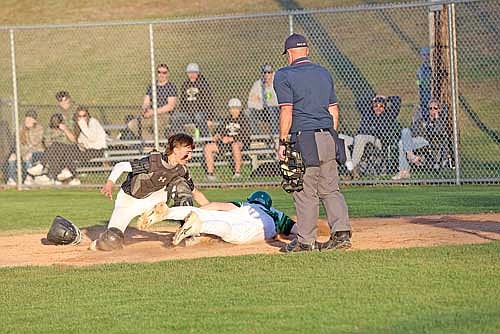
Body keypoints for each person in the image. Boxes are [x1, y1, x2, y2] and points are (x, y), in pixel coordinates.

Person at [274, 33, 351, 252]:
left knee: (305, 191)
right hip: (328, 135)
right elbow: (334, 111)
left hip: (305, 138)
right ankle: (341, 234)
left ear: (289, 54)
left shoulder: (284, 75)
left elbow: (287, 110)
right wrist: (329, 135)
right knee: (330, 189)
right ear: (307, 51)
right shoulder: (323, 73)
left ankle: (306, 241)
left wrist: (282, 141)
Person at [90, 133, 210, 251]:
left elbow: (195, 193)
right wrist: (110, 183)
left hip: (154, 200)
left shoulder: (181, 170)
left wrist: (211, 214)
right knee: (112, 239)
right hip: (129, 201)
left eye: (191, 153)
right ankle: (97, 244)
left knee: (180, 185)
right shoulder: (153, 163)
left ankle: (187, 232)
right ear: (176, 149)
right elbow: (121, 166)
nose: (190, 157)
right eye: (187, 152)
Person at [138, 190, 297, 245]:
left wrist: (200, 211)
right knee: (230, 231)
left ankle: (168, 212)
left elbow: (215, 205)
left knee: (218, 218)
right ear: (267, 204)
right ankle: (198, 226)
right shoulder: (276, 213)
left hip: (237, 214)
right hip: (260, 227)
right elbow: (297, 230)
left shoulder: (245, 205)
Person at [392, 100, 449, 180]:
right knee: (405, 131)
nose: (432, 110)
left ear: (439, 110)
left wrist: (437, 118)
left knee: (402, 144)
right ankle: (411, 157)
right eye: (430, 108)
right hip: (418, 139)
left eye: (435, 108)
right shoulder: (423, 119)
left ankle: (404, 171)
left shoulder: (441, 121)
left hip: (429, 142)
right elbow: (414, 130)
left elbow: (439, 131)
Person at [346, 94, 401, 178]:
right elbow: (359, 101)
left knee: (360, 137)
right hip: (358, 139)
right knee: (340, 138)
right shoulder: (367, 113)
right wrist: (373, 97)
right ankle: (349, 166)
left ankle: (352, 168)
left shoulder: (389, 115)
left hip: (377, 142)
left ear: (385, 107)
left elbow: (397, 99)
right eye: (375, 105)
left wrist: (386, 98)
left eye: (381, 106)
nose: (378, 108)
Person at [27, 112, 82, 185]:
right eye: (54, 123)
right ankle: (58, 178)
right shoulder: (49, 129)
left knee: (55, 146)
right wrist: (50, 144)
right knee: (54, 151)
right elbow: (46, 143)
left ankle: (42, 166)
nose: (55, 125)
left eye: (57, 123)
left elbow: (74, 140)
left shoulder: (67, 126)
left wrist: (65, 129)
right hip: (55, 152)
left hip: (69, 149)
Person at [204, 98, 251, 181]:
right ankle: (210, 173)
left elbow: (246, 135)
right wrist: (218, 135)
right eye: (232, 108)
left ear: (240, 109)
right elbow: (220, 131)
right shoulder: (227, 120)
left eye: (236, 108)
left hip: (239, 143)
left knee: (235, 145)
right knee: (208, 147)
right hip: (225, 144)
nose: (234, 110)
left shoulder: (244, 120)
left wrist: (232, 138)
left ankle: (237, 173)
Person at [129, 64, 177, 140]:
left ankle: (158, 145)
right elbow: (146, 102)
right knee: (132, 124)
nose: (161, 75)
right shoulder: (152, 86)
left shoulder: (171, 86)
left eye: (164, 73)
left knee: (157, 125)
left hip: (164, 115)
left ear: (167, 74)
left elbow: (170, 106)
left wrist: (153, 112)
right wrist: (144, 110)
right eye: (159, 72)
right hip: (151, 114)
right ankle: (151, 142)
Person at [173, 63, 215, 137]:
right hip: (189, 114)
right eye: (190, 72)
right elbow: (182, 102)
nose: (192, 75)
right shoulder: (185, 85)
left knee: (198, 116)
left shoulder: (203, 84)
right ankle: (183, 139)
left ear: (198, 73)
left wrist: (210, 118)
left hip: (202, 112)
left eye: (194, 72)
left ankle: (205, 138)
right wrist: (182, 111)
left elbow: (209, 101)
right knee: (176, 117)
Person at [5, 110, 44, 186]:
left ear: (34, 120)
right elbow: (17, 143)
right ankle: (11, 179)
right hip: (22, 152)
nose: (27, 120)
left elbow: (34, 143)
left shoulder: (39, 128)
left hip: (37, 152)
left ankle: (29, 178)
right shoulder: (20, 127)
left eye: (30, 119)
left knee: (28, 155)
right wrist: (17, 153)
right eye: (27, 118)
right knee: (12, 157)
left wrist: (29, 130)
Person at [247, 63, 279, 135]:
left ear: (272, 73)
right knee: (248, 112)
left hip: (276, 110)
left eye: (269, 72)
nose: (267, 75)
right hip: (262, 111)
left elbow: (278, 101)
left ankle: (275, 135)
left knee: (271, 109)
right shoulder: (258, 84)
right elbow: (250, 103)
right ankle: (258, 136)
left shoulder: (277, 83)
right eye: (265, 72)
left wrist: (260, 100)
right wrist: (261, 105)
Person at [417, 47, 432, 119]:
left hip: (432, 92)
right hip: (423, 93)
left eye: (428, 55)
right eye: (424, 55)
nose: (426, 57)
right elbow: (418, 80)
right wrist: (419, 84)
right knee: (424, 109)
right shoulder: (420, 69)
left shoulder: (433, 67)